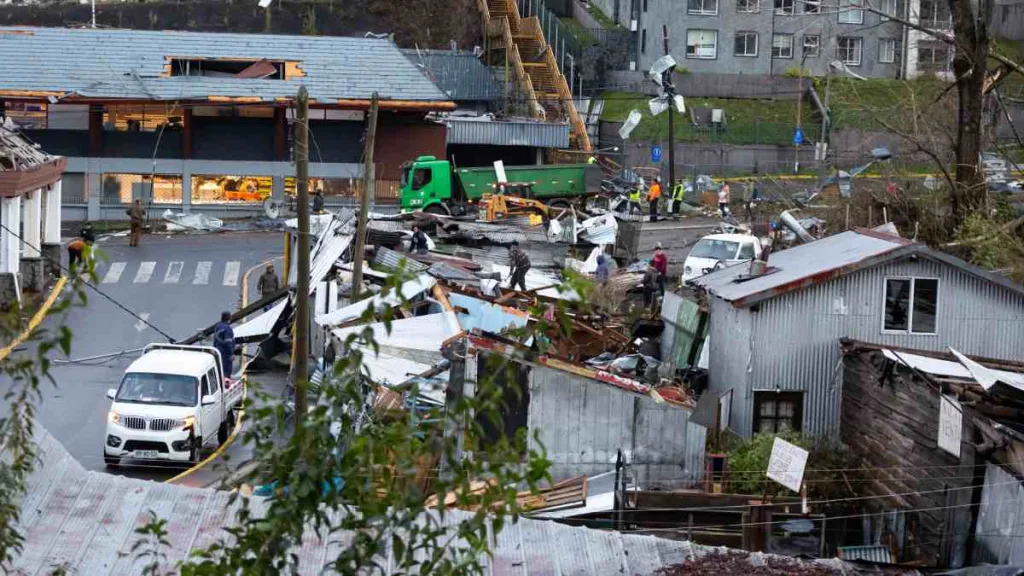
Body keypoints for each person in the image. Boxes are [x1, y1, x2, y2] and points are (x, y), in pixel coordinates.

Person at [212, 311, 235, 380]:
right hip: (226, 354)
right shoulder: (228, 329)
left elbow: (216, 340)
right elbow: (228, 343)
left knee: (219, 369)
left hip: (218, 351)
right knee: (227, 371)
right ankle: (226, 383)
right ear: (229, 318)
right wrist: (231, 354)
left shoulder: (218, 326)